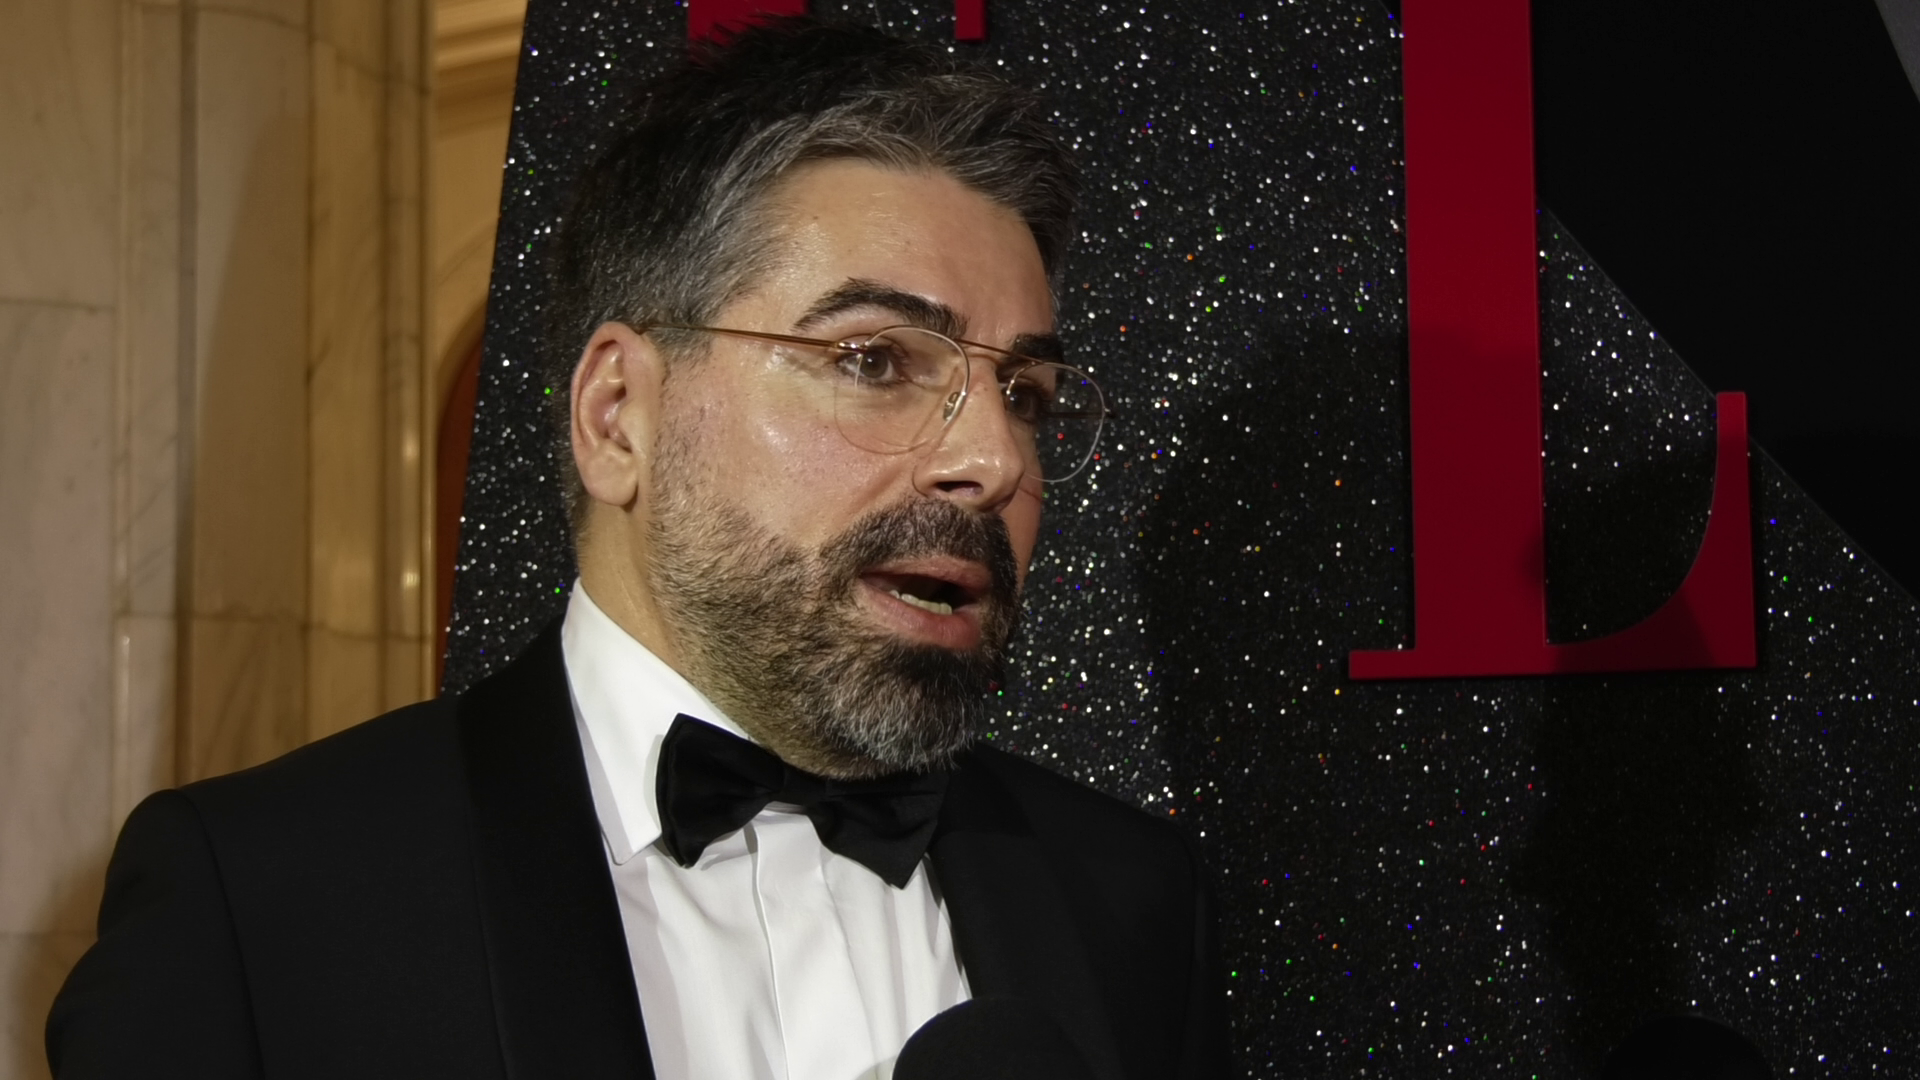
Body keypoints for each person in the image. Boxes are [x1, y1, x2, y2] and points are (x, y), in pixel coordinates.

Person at [47, 18, 1227, 1080]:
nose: (995, 459)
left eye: (1024, 393)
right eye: (874, 361)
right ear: (619, 416)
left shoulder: (1130, 901)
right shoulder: (261, 904)